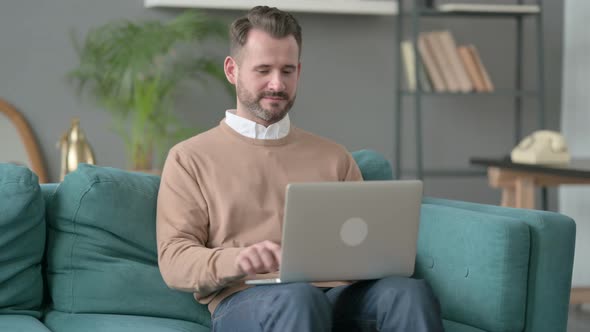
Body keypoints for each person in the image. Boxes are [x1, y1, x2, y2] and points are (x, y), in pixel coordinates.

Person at [156, 6, 444, 332]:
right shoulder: (190, 158)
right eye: (263, 70)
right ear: (232, 70)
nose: (277, 84)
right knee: (299, 298)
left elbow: (369, 244)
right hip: (247, 299)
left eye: (287, 71)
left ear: (299, 71)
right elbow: (174, 259)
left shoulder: (334, 157)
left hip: (337, 294)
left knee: (408, 293)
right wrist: (238, 259)